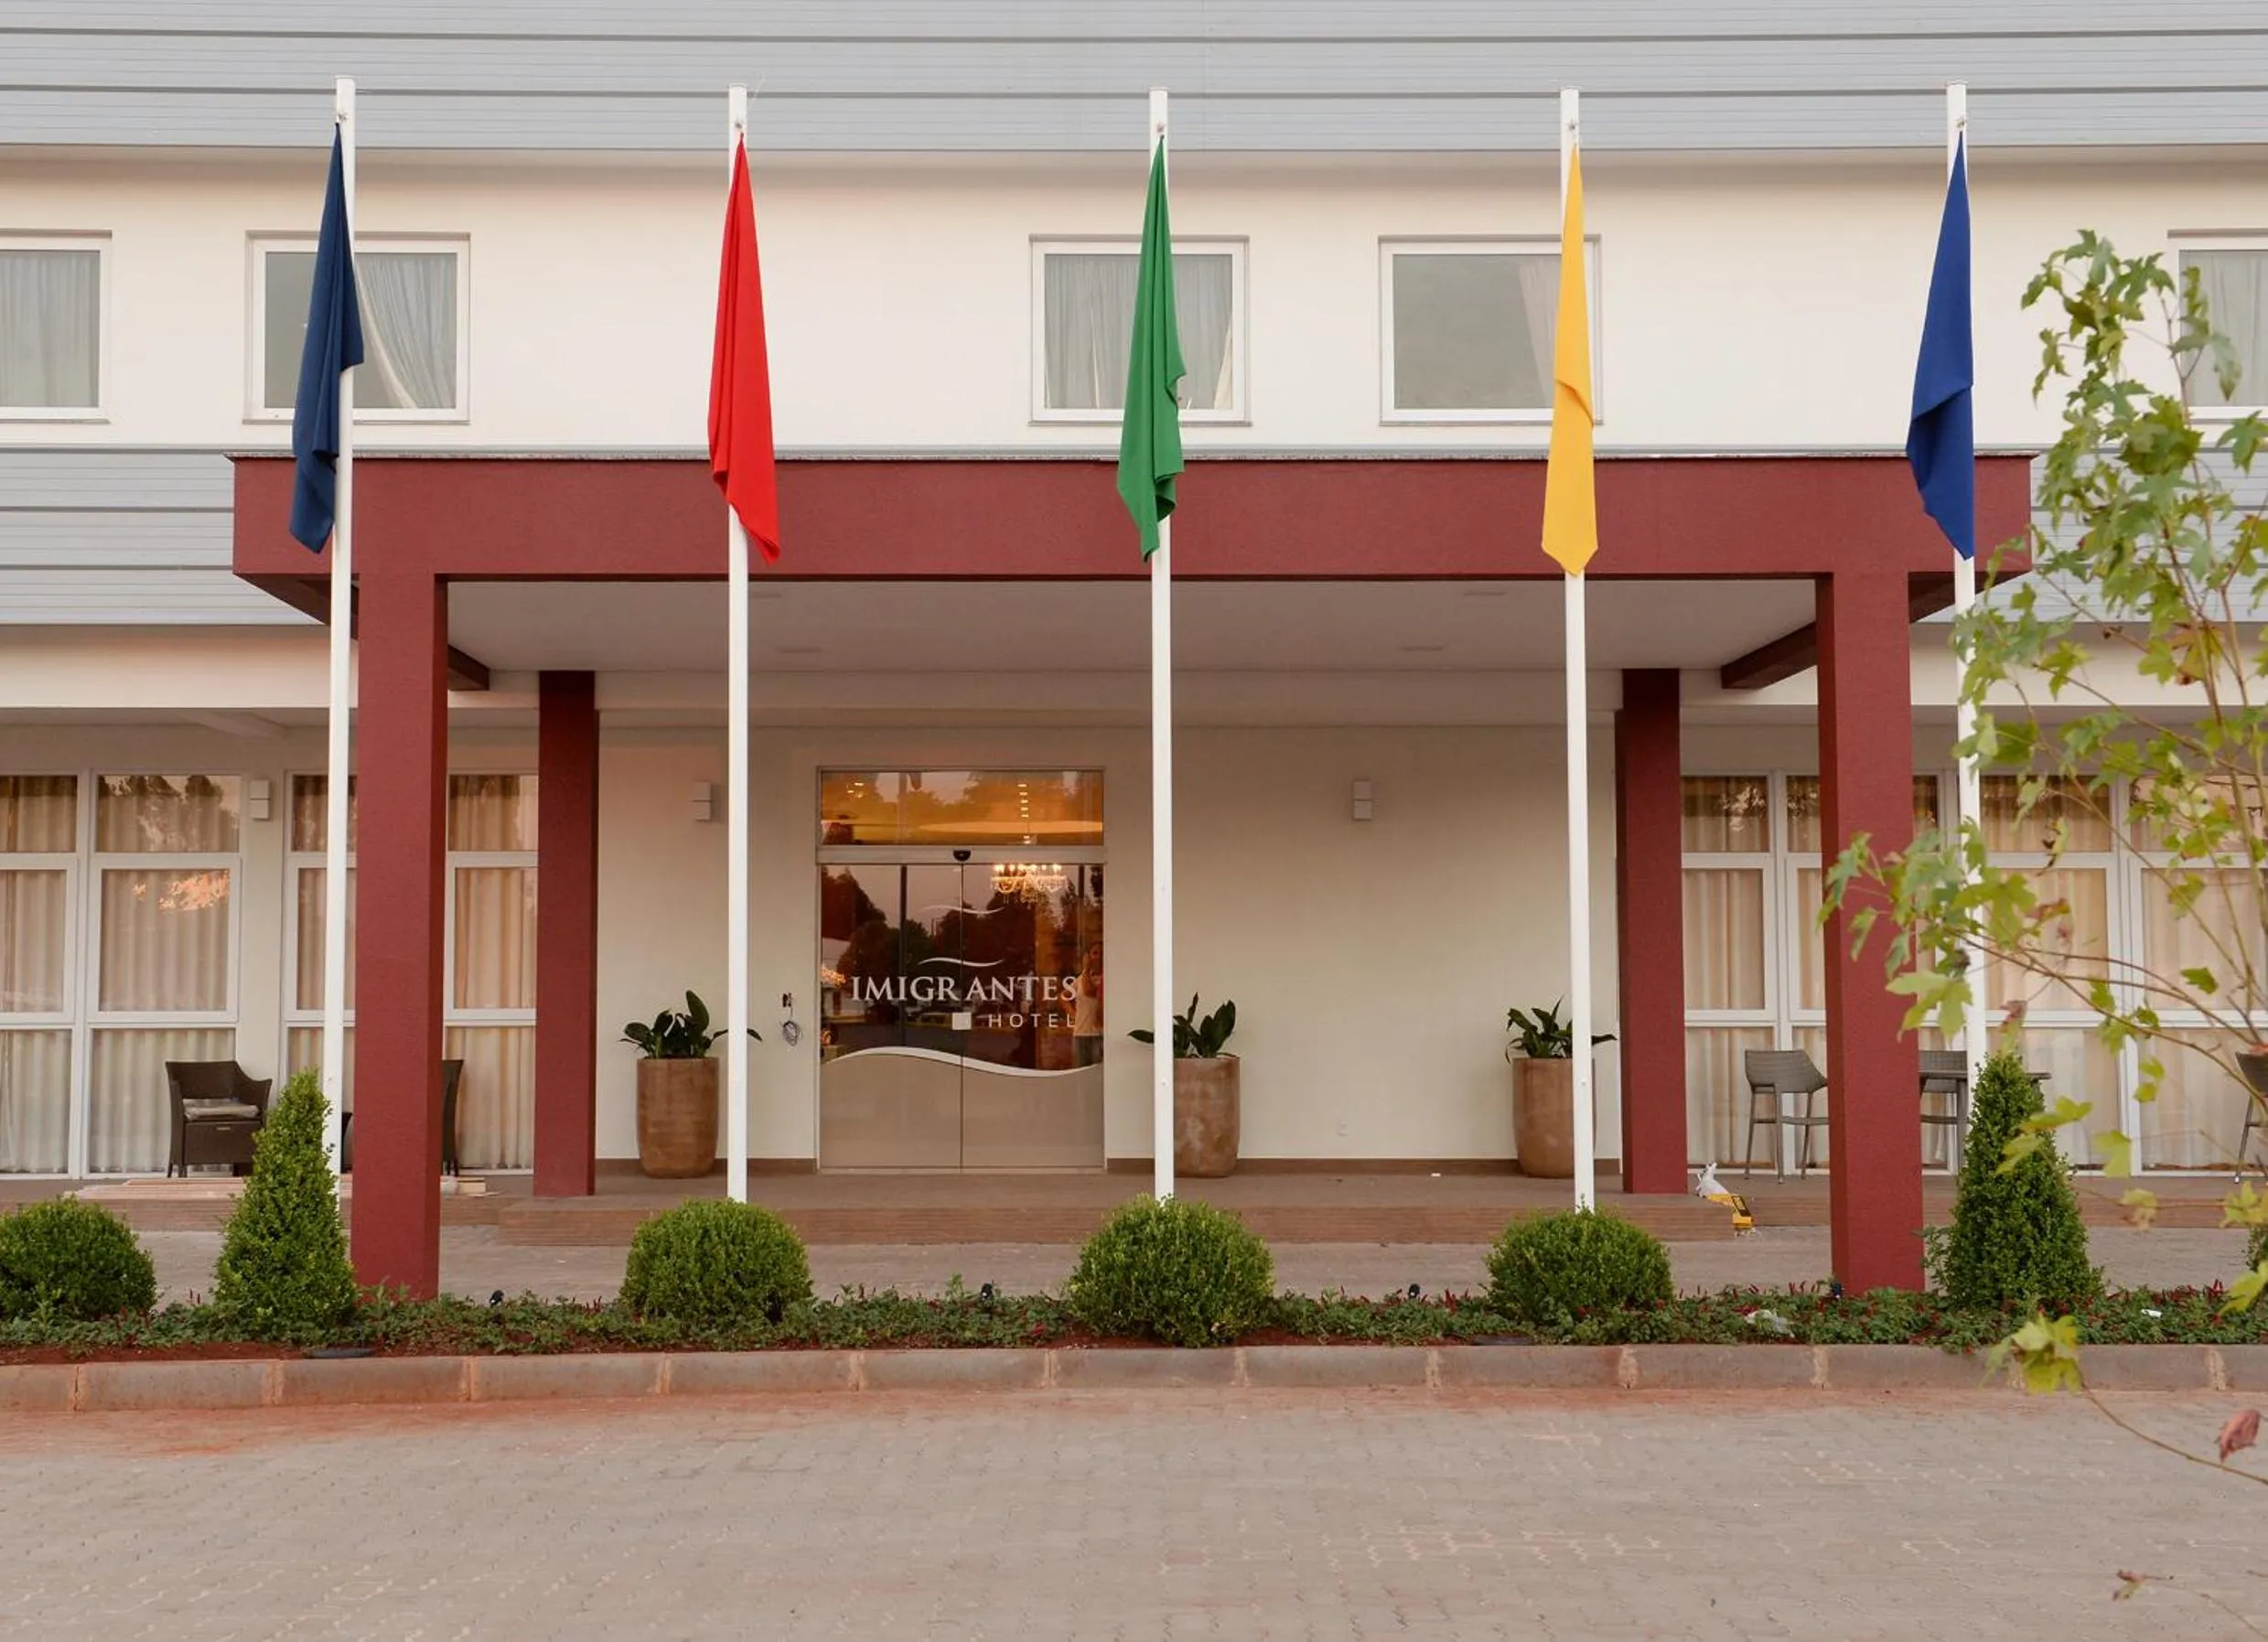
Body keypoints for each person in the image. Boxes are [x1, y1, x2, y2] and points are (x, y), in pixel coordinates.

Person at [1073, 943, 1104, 1067]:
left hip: (1098, 1033)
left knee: (1097, 1071)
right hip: (1081, 1032)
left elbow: (1089, 991)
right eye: (1095, 953)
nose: (1099, 956)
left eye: (1102, 953)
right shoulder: (1082, 978)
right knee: (1080, 1073)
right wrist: (1074, 1014)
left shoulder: (1105, 977)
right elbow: (1063, 997)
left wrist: (1085, 968)